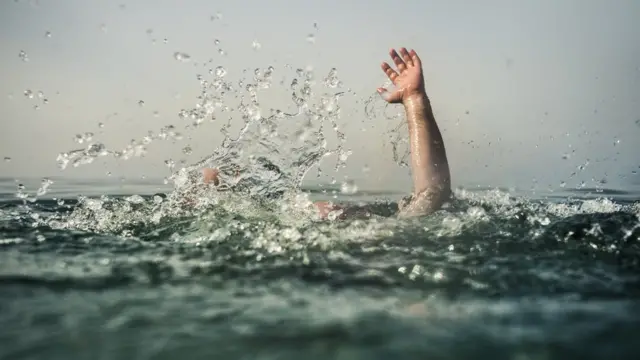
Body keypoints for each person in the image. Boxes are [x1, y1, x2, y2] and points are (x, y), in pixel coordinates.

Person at [203, 48, 451, 219]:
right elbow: (432, 197)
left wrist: (414, 100)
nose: (329, 207)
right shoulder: (322, 223)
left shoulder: (300, 219)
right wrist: (415, 102)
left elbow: (431, 197)